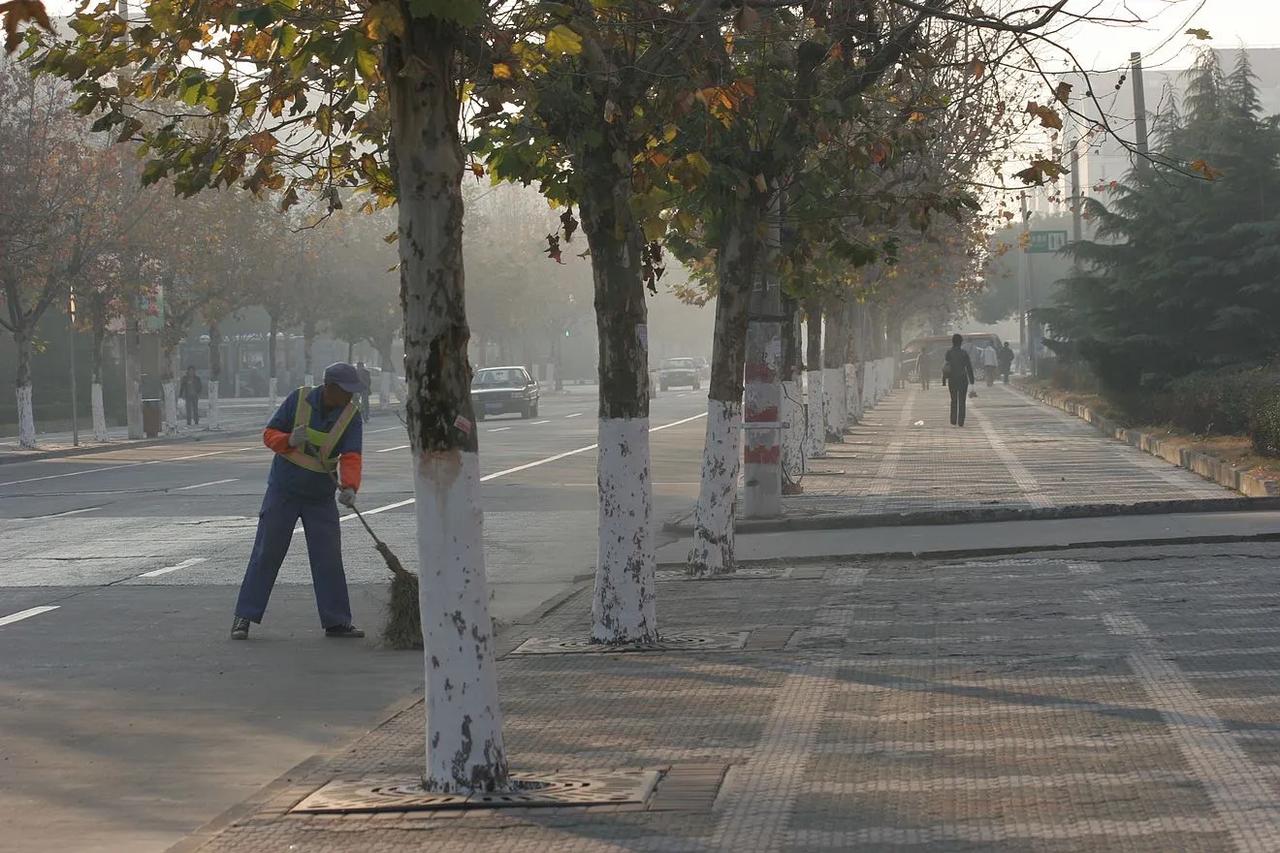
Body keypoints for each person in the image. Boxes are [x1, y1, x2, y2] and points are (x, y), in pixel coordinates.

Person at [231, 362, 366, 640]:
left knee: (328, 558)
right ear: (329, 388)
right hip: (284, 491)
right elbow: (269, 434)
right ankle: (244, 616)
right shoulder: (299, 399)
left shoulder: (351, 415)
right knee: (266, 553)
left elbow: (352, 455)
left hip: (320, 497)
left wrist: (350, 487)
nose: (351, 398)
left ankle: (337, 621)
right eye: (347, 392)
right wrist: (289, 439)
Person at [941, 334, 976, 427]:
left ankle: (953, 419)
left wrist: (944, 379)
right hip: (962, 379)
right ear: (961, 342)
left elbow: (945, 367)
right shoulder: (964, 353)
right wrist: (972, 380)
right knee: (962, 400)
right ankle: (961, 421)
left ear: (952, 342)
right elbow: (969, 367)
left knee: (953, 400)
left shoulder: (949, 353)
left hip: (952, 379)